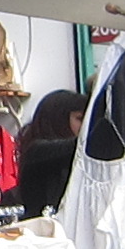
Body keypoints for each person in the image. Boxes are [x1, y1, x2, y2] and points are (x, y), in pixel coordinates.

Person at [14, 87, 85, 216]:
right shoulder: (38, 152)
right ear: (59, 119)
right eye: (80, 119)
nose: (84, 125)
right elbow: (75, 146)